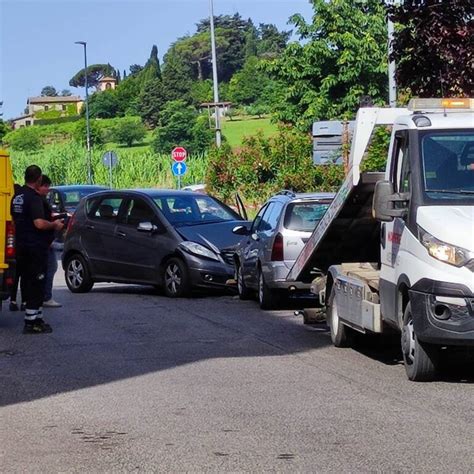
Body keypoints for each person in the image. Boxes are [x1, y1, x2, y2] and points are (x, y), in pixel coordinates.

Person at [11, 165, 64, 334]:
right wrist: (54, 225)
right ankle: (31, 322)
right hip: (35, 247)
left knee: (28, 282)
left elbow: (16, 220)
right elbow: (39, 223)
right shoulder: (33, 198)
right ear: (39, 179)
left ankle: (37, 318)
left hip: (22, 245)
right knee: (36, 283)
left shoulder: (17, 196)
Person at [37, 174, 62, 308]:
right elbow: (40, 223)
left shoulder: (38, 200)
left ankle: (41, 297)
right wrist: (54, 224)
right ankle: (46, 297)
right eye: (45, 186)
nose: (48, 189)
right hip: (44, 241)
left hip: (45, 240)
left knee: (49, 267)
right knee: (50, 267)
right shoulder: (38, 201)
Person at [9, 183, 25, 311]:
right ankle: (24, 301)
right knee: (24, 275)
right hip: (24, 242)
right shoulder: (25, 200)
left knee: (15, 275)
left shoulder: (13, 202)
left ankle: (13, 301)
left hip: (14, 242)